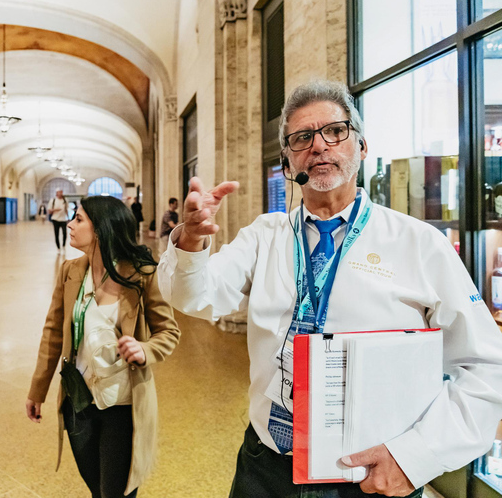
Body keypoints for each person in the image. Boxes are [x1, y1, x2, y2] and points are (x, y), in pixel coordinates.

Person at [158, 80, 502, 497]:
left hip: (370, 476)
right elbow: (195, 297)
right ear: (287, 162)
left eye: (335, 131)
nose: (319, 146)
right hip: (267, 468)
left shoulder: (418, 243)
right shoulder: (265, 236)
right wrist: (192, 241)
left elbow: (486, 366)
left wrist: (415, 457)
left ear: (360, 147)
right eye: (302, 138)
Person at [26, 195, 180, 497]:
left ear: (101, 229)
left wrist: (144, 350)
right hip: (78, 400)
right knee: (96, 486)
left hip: (121, 404)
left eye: (79, 219)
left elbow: (168, 331)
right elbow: (53, 332)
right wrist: (37, 389)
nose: (70, 224)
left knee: (116, 491)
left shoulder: (143, 274)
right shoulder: (70, 271)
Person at [48, 189, 69, 254]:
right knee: (56, 234)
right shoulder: (53, 200)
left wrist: (68, 218)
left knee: (65, 233)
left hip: (63, 219)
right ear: (56, 193)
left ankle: (63, 245)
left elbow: (66, 210)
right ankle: (58, 248)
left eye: (61, 192)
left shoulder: (65, 200)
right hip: (55, 219)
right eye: (59, 192)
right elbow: (49, 211)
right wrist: (55, 209)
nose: (60, 193)